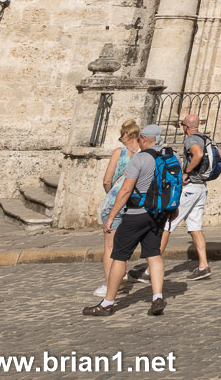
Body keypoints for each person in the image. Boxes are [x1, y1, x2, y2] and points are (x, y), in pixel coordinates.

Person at [88, 123, 174, 318]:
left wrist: (111, 217)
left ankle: (108, 303)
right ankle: (157, 297)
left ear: (143, 139)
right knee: (153, 254)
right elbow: (174, 184)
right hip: (159, 213)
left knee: (119, 255)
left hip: (137, 212)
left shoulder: (140, 158)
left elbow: (126, 190)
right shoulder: (171, 156)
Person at [91, 120, 142, 304]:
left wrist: (112, 193)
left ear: (127, 135)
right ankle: (121, 278)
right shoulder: (143, 155)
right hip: (134, 204)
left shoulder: (119, 153)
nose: (120, 139)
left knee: (110, 247)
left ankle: (110, 284)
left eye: (121, 135)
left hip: (115, 202)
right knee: (123, 246)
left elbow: (107, 180)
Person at [166, 113, 214, 278]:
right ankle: (203, 265)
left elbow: (198, 154)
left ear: (186, 126)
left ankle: (150, 269)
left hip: (190, 188)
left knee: (167, 224)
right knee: (195, 228)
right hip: (201, 188)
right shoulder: (206, 138)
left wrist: (186, 172)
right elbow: (220, 154)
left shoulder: (190, 139)